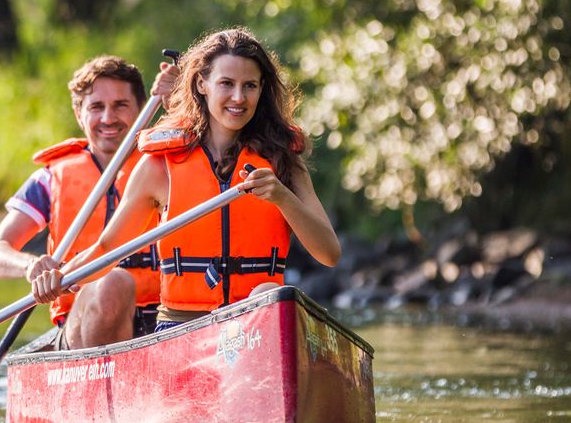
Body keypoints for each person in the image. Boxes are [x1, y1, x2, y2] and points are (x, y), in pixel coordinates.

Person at [31, 28, 341, 335]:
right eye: (226, 84)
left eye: (250, 86)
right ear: (202, 84)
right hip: (181, 328)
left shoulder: (284, 161)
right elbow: (107, 247)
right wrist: (59, 279)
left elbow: (329, 254)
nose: (238, 97)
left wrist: (283, 198)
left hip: (254, 327)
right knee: (264, 302)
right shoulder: (159, 167)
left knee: (267, 296)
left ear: (262, 90)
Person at [0, 55, 178, 349]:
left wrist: (179, 98)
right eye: (96, 107)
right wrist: (31, 266)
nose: (108, 118)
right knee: (114, 283)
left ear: (140, 110)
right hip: (83, 322)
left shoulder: (170, 167)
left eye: (120, 105)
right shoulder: (50, 180)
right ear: (78, 113)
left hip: (164, 321)